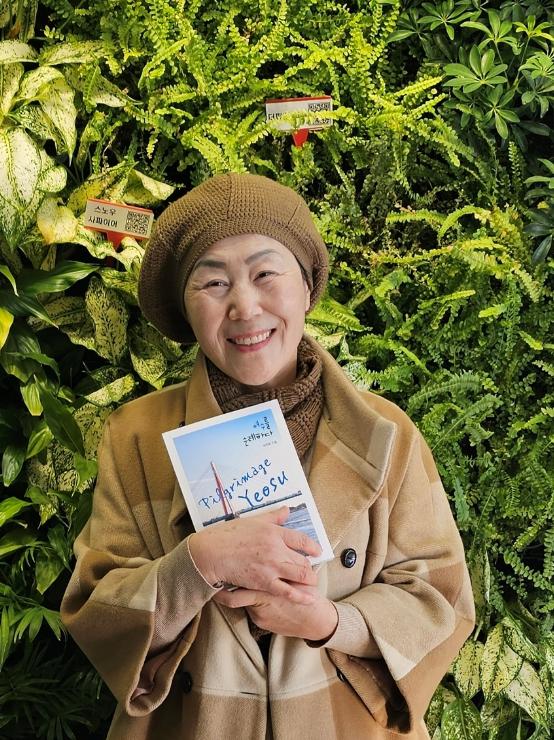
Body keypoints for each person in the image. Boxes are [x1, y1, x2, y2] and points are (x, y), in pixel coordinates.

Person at [60, 172, 475, 740]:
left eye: (265, 274)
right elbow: (95, 609)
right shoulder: (134, 436)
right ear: (185, 309)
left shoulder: (387, 433)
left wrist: (331, 622)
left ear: (306, 285)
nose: (244, 306)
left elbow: (442, 599)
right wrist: (196, 566)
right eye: (213, 283)